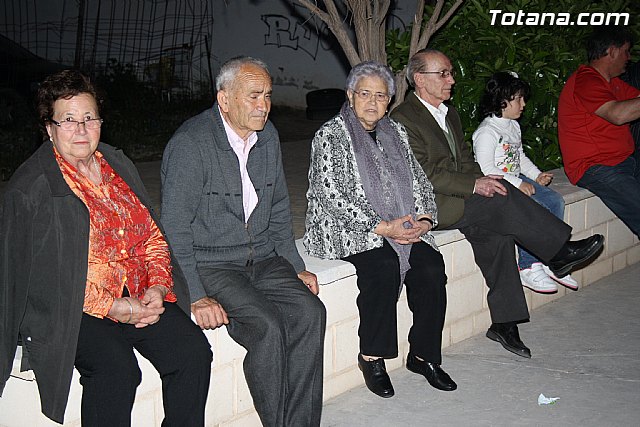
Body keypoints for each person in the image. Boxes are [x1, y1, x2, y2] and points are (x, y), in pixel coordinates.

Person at [0, 70, 212, 426]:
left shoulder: (116, 164)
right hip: (70, 306)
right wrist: (114, 307)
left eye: (89, 118)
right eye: (68, 120)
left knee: (191, 352)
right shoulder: (31, 188)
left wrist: (158, 287)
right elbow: (40, 278)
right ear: (49, 128)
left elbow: (151, 235)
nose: (81, 129)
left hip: (135, 290)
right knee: (117, 369)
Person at [391, 49, 604, 359]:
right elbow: (424, 173)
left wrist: (481, 179)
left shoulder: (448, 113)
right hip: (431, 203)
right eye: (444, 74)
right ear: (420, 79)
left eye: (451, 73)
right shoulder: (403, 118)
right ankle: (558, 252)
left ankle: (505, 322)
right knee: (501, 197)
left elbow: (465, 159)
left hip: (459, 196)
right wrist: (475, 185)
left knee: (499, 233)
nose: (452, 80)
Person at [160, 56, 326, 427]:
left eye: (267, 95)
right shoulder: (191, 145)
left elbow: (279, 207)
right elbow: (174, 226)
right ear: (224, 99)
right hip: (213, 265)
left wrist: (296, 266)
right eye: (253, 96)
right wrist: (195, 293)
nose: (263, 105)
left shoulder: (268, 137)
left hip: (263, 258)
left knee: (310, 312)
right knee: (267, 326)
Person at [305, 61, 456, 399]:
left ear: (389, 101)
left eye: (380, 96)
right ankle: (372, 357)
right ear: (350, 95)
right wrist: (385, 227)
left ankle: (423, 356)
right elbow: (332, 195)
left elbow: (419, 181)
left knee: (431, 266)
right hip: (345, 227)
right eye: (365, 94)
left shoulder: (395, 132)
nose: (372, 102)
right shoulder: (331, 134)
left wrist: (424, 220)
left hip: (399, 222)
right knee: (383, 265)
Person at [473, 71, 579, 294]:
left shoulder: (513, 126)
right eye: (518, 98)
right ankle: (528, 265)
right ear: (502, 100)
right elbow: (485, 169)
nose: (523, 104)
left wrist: (536, 175)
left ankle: (551, 257)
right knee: (534, 208)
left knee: (555, 201)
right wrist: (517, 183)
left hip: (515, 179)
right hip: (497, 184)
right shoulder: (487, 131)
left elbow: (519, 157)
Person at [559, 26, 640, 238]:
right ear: (612, 51)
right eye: (626, 51)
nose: (629, 58)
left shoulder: (614, 84)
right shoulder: (586, 80)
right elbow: (618, 114)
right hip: (596, 167)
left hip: (624, 162)